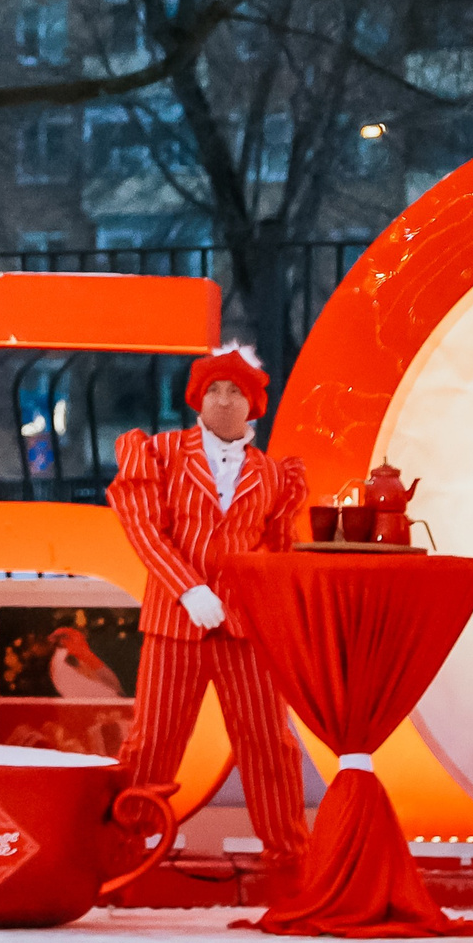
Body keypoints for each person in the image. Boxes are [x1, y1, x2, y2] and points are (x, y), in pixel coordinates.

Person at [108, 344, 311, 889]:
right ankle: (118, 859)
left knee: (270, 744)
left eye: (236, 390)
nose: (225, 400)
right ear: (197, 399)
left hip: (245, 631)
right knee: (152, 744)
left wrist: (275, 614)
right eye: (215, 390)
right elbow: (144, 528)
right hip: (176, 625)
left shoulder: (275, 476)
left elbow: (278, 551)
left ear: (254, 404)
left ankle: (290, 869)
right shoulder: (159, 453)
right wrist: (188, 589)